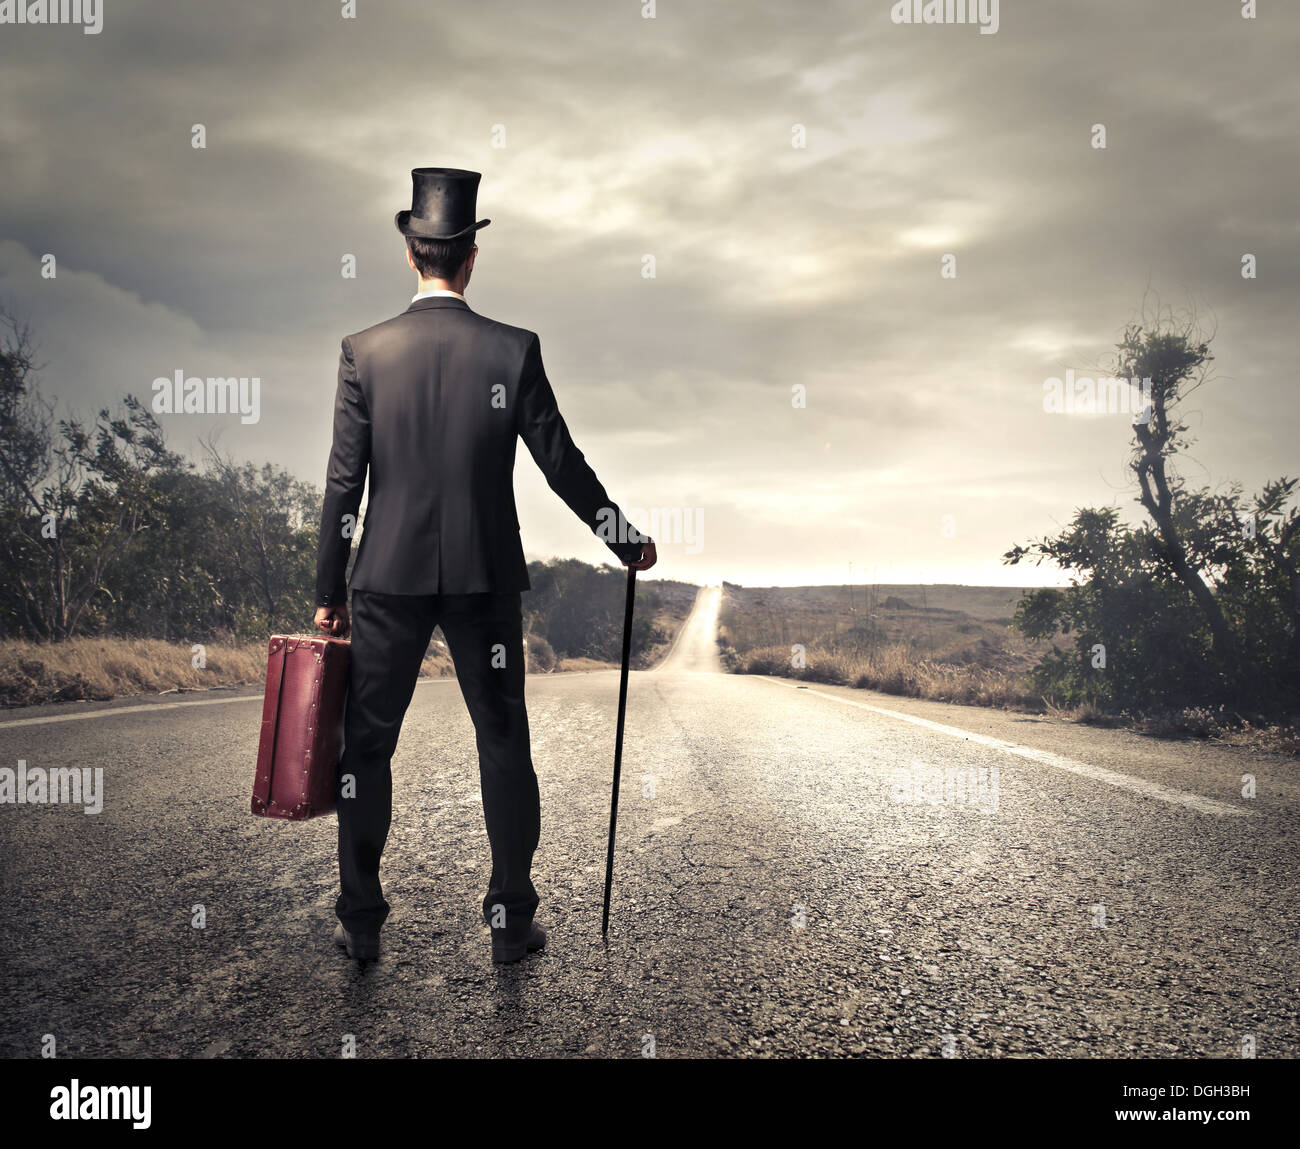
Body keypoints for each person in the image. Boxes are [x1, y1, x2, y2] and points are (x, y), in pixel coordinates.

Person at [313, 167, 656, 963]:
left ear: (411, 253)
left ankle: (361, 923)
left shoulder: (364, 352)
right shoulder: (513, 349)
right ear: (471, 258)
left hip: (387, 580)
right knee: (502, 742)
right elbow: (562, 463)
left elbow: (343, 485)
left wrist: (327, 593)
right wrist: (625, 539)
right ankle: (509, 923)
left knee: (366, 749)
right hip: (483, 576)